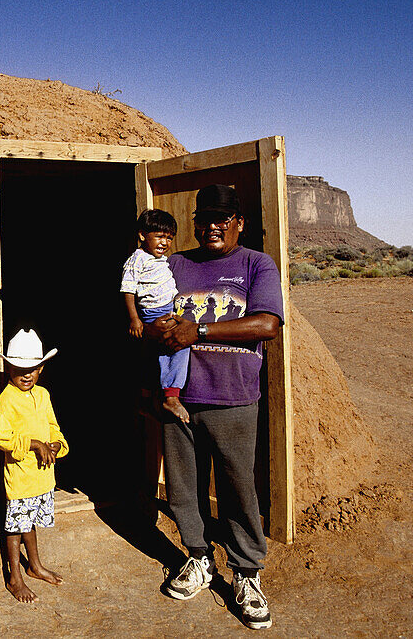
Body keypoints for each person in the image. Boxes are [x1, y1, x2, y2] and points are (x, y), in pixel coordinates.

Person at [145, 185, 283, 631]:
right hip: (180, 398)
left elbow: (267, 325)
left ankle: (246, 573)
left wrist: (197, 332)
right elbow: (147, 315)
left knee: (238, 487)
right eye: (205, 219)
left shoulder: (255, 264)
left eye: (223, 219)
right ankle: (199, 558)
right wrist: (157, 333)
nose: (213, 227)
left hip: (234, 398)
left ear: (239, 223)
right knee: (185, 487)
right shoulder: (175, 265)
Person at [0, 328, 69, 603]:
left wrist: (56, 445)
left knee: (30, 523)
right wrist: (34, 443)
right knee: (14, 528)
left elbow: (53, 427)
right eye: (19, 368)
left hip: (41, 477)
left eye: (33, 369)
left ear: (41, 369)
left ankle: (35, 565)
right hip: (21, 477)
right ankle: (15, 577)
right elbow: (3, 438)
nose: (26, 375)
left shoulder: (43, 395)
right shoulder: (7, 400)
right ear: (8, 368)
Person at [120, 208, 191, 423]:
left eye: (169, 238)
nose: (164, 242)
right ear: (143, 236)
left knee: (154, 356)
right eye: (159, 236)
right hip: (154, 313)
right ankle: (171, 396)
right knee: (179, 345)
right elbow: (128, 289)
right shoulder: (138, 259)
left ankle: (145, 399)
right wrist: (135, 318)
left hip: (168, 308)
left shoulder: (160, 259)